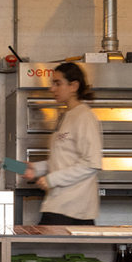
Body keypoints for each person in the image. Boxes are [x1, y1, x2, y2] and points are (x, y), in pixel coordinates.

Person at [24, 61, 103, 225]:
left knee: (43, 249)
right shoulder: (66, 115)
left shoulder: (85, 117)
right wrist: (36, 168)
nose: (52, 89)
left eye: (57, 83)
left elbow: (91, 163)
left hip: (73, 209)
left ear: (74, 86)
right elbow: (64, 158)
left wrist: (52, 179)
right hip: (58, 205)